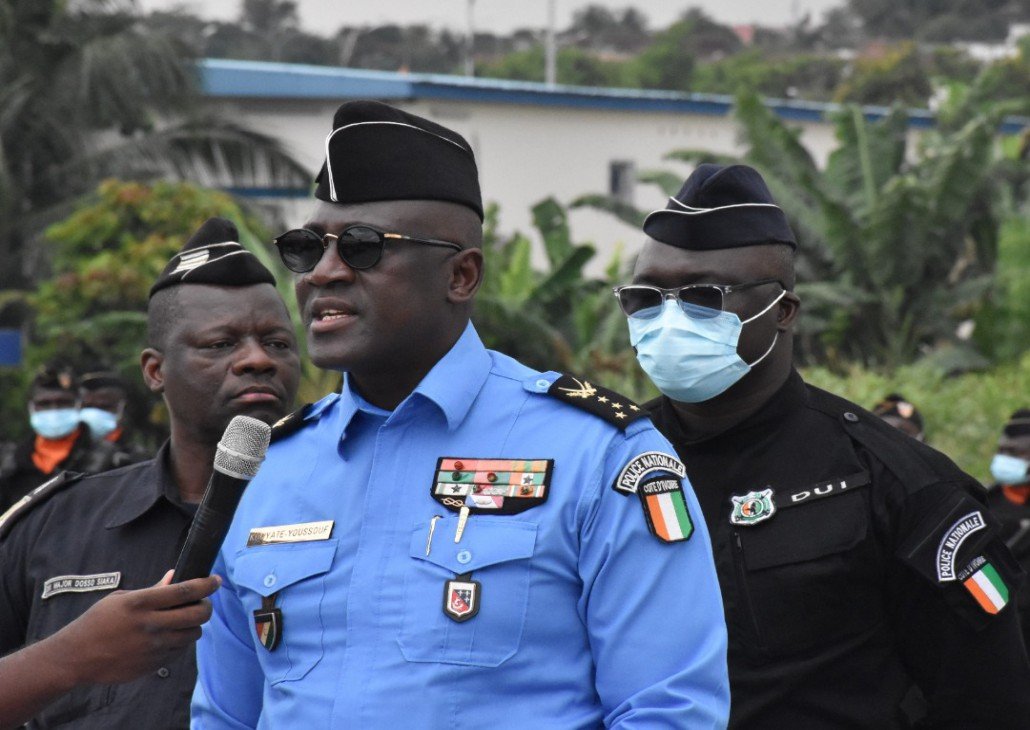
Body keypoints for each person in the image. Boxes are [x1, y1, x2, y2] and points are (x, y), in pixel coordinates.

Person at [192, 101, 729, 729]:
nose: (324, 273)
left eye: (363, 248)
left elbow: (668, 710)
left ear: (461, 275)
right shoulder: (269, 470)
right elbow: (225, 716)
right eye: (306, 247)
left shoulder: (601, 455)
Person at [614, 163, 1030, 728]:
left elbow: (988, 698)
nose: (668, 319)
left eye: (704, 297)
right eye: (646, 297)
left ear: (782, 311)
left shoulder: (900, 483)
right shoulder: (604, 461)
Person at [0, 218, 302, 729]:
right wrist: (70, 658)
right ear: (155, 370)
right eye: (220, 344)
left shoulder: (341, 512)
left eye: (276, 343)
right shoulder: (57, 524)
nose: (256, 360)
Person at [0, 364, 133, 511]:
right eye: (44, 403)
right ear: (31, 408)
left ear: (79, 405)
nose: (54, 410)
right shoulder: (9, 464)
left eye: (63, 402)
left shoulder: (110, 460)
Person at [985, 408, 1030, 650]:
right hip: (1003, 629)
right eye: (1001, 450)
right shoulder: (981, 505)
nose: (1004, 459)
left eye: (1015, 453)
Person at [78, 367, 151, 463]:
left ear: (124, 409)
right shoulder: (67, 454)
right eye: (88, 407)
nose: (93, 414)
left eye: (104, 407)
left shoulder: (140, 459)